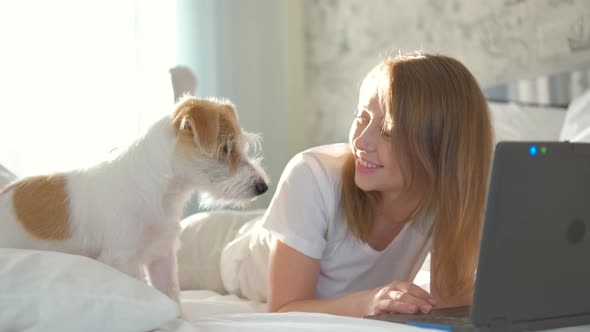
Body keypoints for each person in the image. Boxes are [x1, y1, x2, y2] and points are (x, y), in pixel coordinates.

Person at [253, 51, 494, 317]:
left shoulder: (450, 196)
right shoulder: (311, 175)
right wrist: (368, 303)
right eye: (362, 117)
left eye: (388, 131)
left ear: (439, 147)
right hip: (229, 250)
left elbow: (449, 301)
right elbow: (284, 310)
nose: (361, 141)